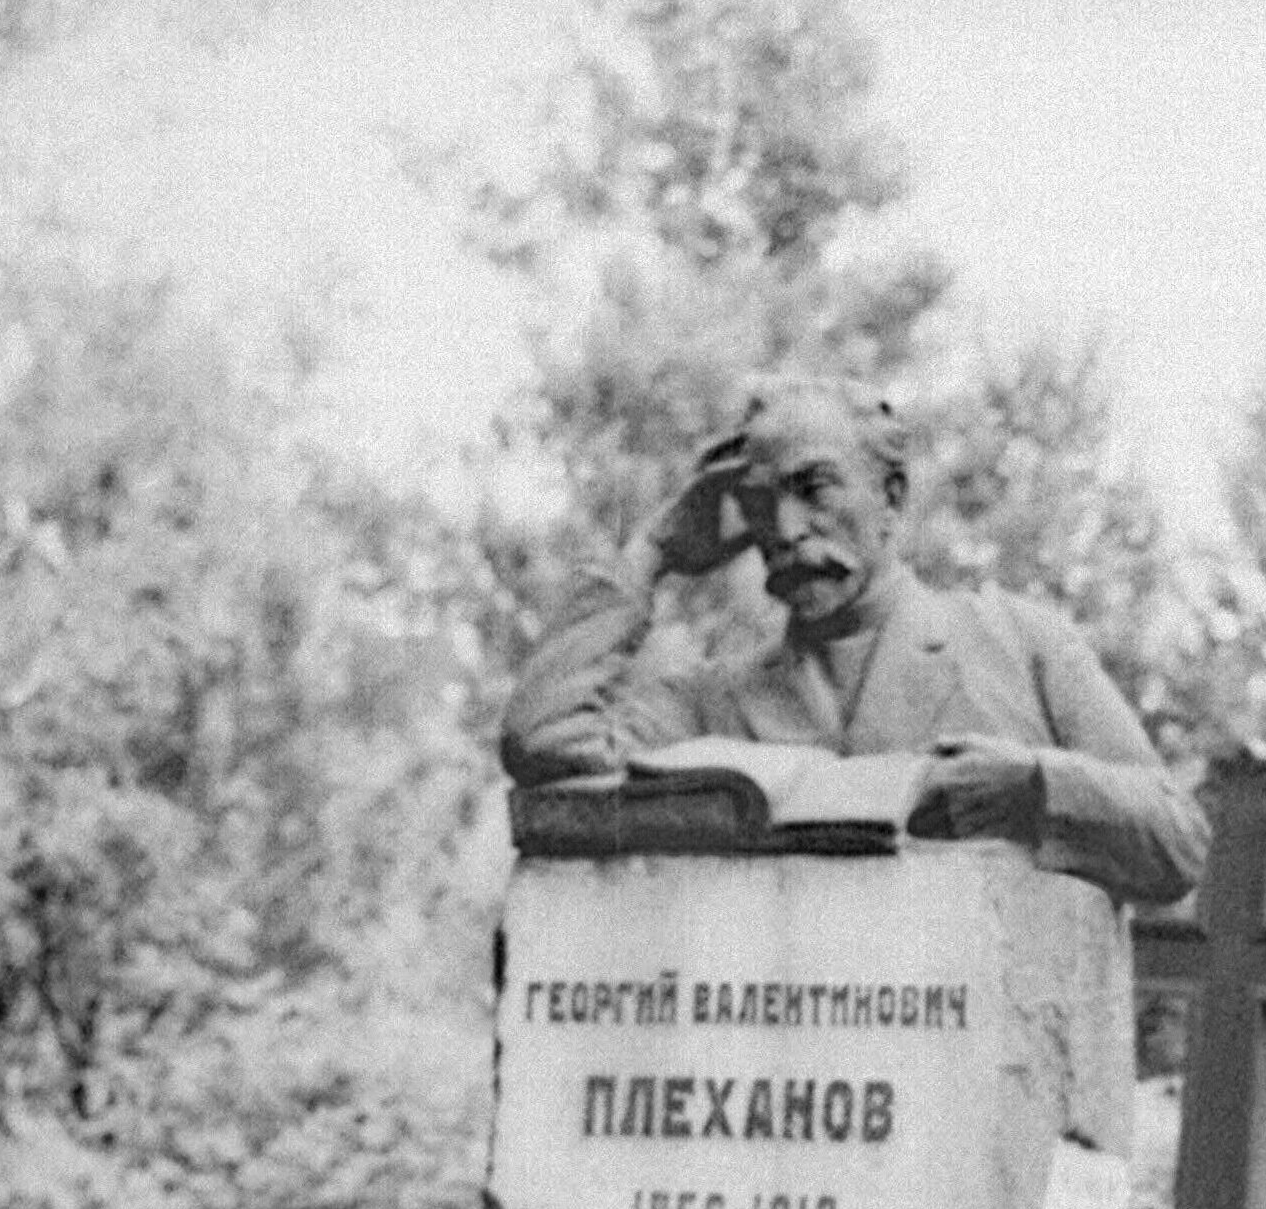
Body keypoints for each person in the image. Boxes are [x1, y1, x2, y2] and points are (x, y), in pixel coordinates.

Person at [499, 377, 1208, 911]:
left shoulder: (1019, 645)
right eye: (759, 504)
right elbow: (544, 744)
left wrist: (1031, 788)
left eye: (815, 489)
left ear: (891, 496)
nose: (786, 528)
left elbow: (1178, 842)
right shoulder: (713, 698)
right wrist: (651, 553)